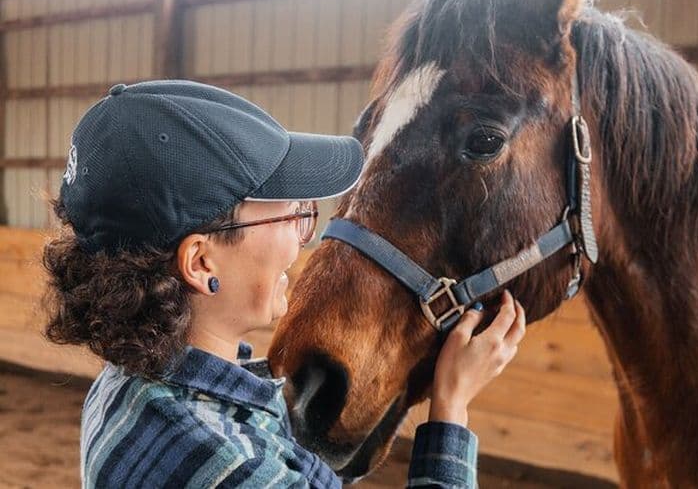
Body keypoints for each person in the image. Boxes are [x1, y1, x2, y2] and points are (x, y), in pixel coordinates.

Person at [42, 80, 526, 488]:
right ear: (201, 262)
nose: (301, 238)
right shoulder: (231, 467)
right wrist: (451, 408)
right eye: (294, 215)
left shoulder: (125, 383)